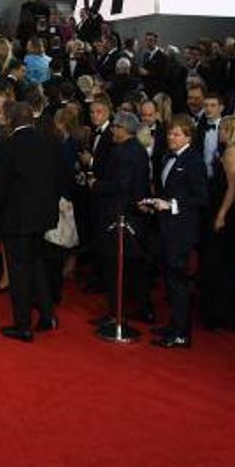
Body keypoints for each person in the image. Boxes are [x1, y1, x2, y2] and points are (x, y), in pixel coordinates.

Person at [0, 101, 63, 342]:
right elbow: (58, 179)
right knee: (36, 265)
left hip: (16, 220)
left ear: (11, 119)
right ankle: (48, 315)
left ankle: (23, 326)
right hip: (42, 218)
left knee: (19, 272)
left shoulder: (8, 146)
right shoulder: (49, 144)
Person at [143, 117, 209, 348]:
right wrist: (153, 203)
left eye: (177, 134)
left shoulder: (194, 161)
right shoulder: (166, 157)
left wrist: (171, 205)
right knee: (170, 281)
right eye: (170, 134)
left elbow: (201, 197)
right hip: (166, 227)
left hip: (182, 230)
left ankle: (181, 333)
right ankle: (174, 325)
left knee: (178, 282)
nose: (172, 138)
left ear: (189, 137)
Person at [88, 110, 154, 327]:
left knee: (114, 265)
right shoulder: (138, 150)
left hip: (119, 215)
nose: (113, 130)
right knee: (134, 266)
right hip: (134, 215)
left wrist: (96, 185)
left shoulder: (123, 153)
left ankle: (115, 312)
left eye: (115, 127)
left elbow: (121, 185)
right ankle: (144, 309)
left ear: (124, 130)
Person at [200, 115, 235, 331]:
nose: (220, 132)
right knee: (232, 262)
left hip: (228, 214)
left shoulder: (232, 152)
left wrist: (221, 214)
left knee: (222, 263)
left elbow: (233, 187)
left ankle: (222, 314)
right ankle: (231, 312)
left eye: (223, 129)